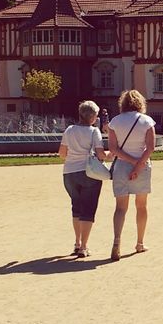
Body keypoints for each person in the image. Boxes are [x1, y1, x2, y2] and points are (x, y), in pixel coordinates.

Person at [107, 89, 156, 261]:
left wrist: (130, 161)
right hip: (142, 166)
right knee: (141, 206)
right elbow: (150, 147)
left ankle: (116, 241)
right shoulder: (147, 121)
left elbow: (113, 149)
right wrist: (138, 164)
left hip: (121, 166)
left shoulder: (115, 121)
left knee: (120, 208)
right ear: (140, 103)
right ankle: (140, 243)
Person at [58, 100, 110, 258]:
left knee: (76, 207)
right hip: (88, 173)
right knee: (88, 209)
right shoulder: (94, 131)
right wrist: (112, 154)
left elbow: (62, 153)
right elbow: (101, 155)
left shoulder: (69, 130)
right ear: (93, 116)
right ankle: (84, 247)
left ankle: (77, 242)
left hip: (69, 173)